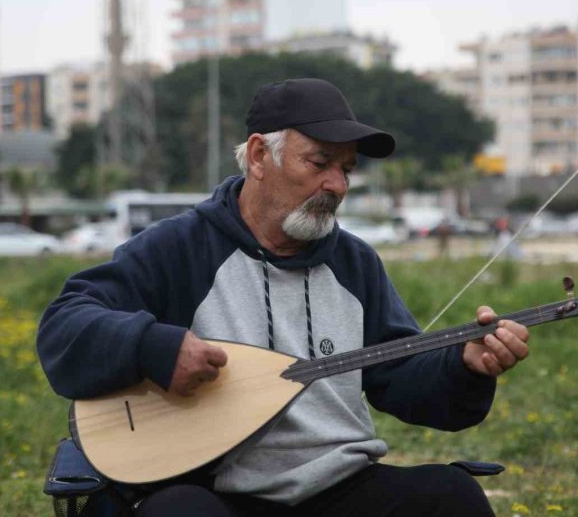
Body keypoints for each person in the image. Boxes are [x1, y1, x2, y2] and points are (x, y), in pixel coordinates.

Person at [37, 78, 530, 517]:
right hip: (213, 489)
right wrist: (154, 347)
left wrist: (465, 367)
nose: (336, 185)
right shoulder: (180, 248)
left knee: (449, 497)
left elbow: (401, 379)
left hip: (338, 487)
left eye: (346, 170)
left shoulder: (355, 264)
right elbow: (65, 324)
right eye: (319, 163)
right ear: (258, 156)